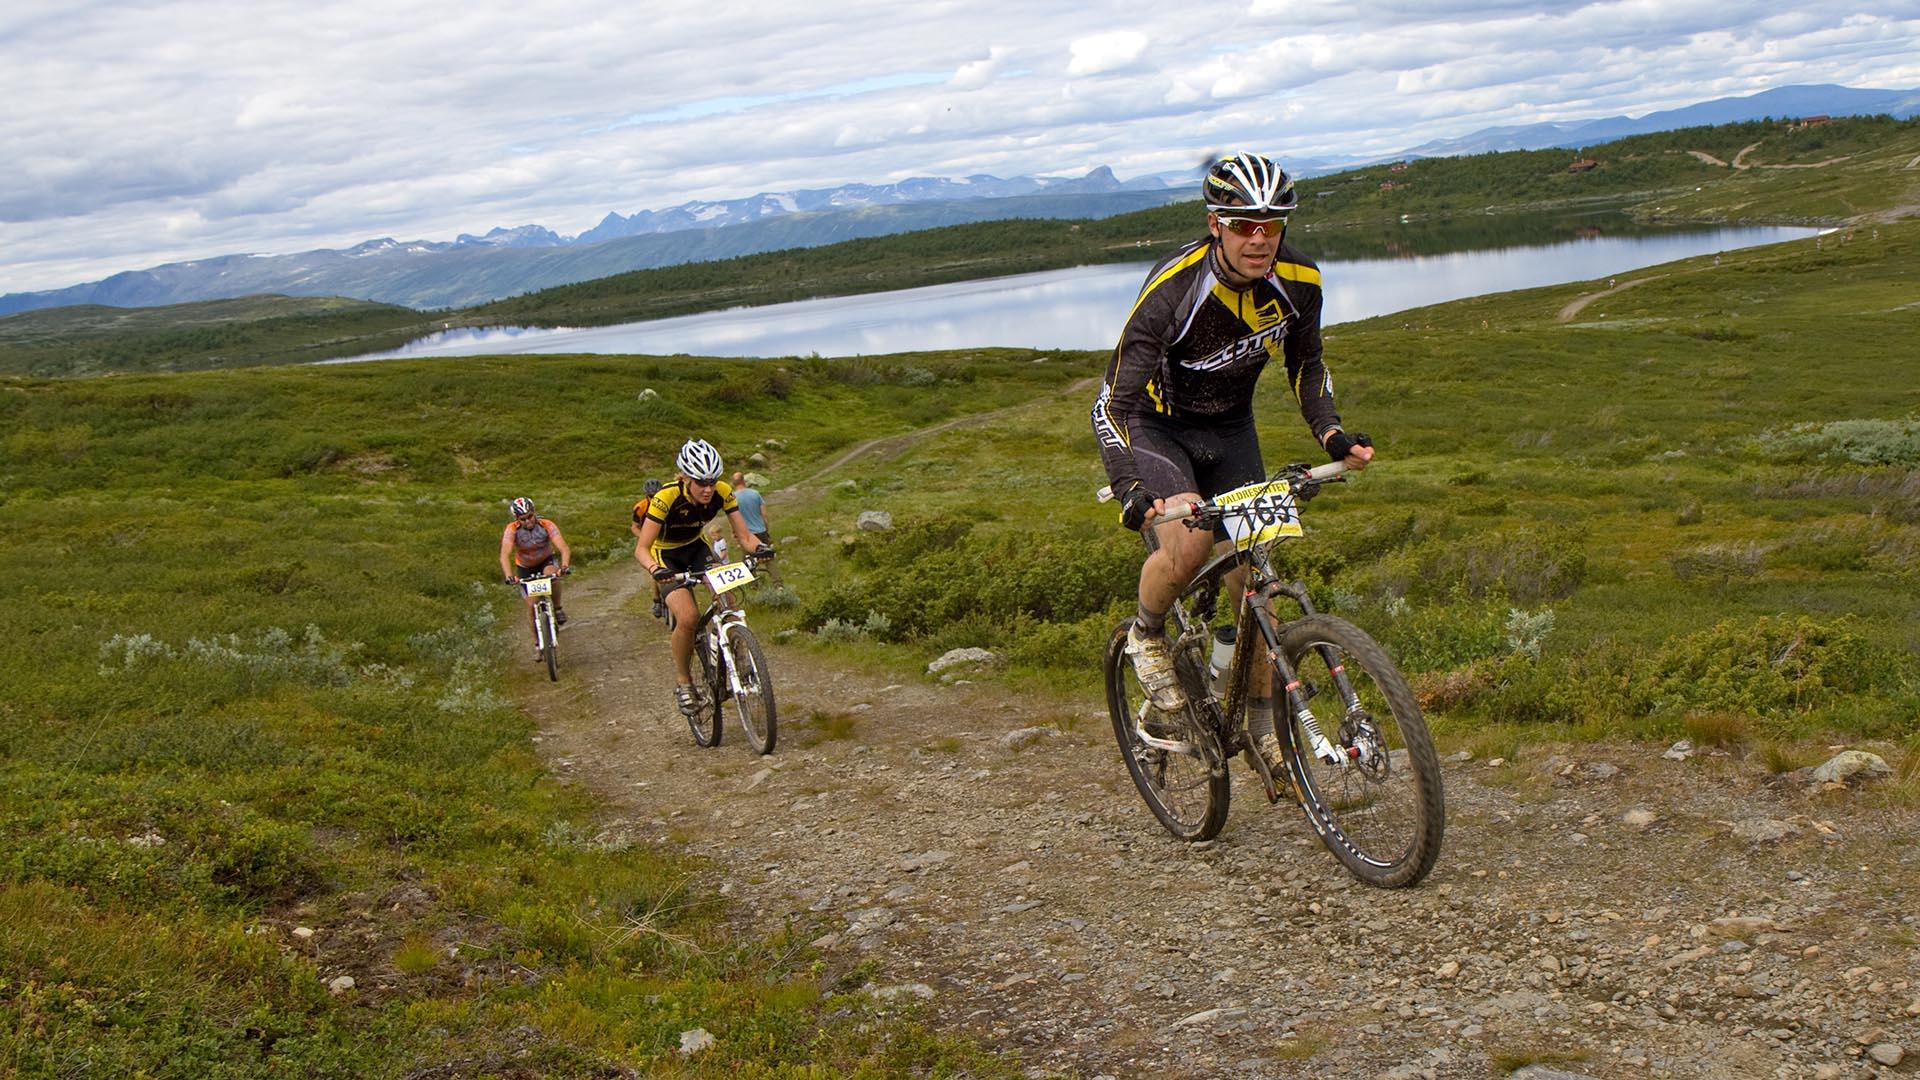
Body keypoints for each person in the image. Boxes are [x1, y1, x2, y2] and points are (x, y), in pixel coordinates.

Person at [1090, 152, 1373, 758]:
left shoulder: (1300, 281)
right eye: (1244, 224)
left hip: (1231, 428)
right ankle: (1147, 635)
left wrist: (1331, 433)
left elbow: (1307, 363)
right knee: (1191, 540)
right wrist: (1128, 487)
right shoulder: (1174, 290)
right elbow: (1110, 402)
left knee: (1259, 583)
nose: (1259, 239)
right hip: (1157, 426)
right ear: (1215, 222)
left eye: (1272, 225)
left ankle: (1266, 728)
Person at [633, 439, 774, 719]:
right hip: (666, 556)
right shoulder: (665, 498)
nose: (708, 489)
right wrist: (655, 571)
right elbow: (641, 548)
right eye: (701, 482)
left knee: (728, 600)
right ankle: (684, 682)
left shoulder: (723, 492)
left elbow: (744, 536)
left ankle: (740, 657)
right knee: (688, 617)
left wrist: (761, 548)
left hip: (697, 549)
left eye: (712, 481)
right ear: (685, 477)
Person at [499, 497, 571, 657]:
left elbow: (563, 548)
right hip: (525, 567)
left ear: (534, 513)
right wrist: (509, 576)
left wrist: (564, 567)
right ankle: (538, 644)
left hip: (546, 560)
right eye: (522, 519)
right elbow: (504, 555)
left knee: (552, 574)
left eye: (530, 516)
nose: (527, 521)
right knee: (532, 606)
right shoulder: (512, 530)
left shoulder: (546, 525)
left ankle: (558, 608)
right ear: (517, 520)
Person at [730, 471, 783, 586]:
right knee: (768, 557)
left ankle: (753, 585)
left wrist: (735, 533)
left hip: (746, 535)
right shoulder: (755, 493)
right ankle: (778, 584)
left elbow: (733, 519)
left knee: (748, 560)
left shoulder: (733, 498)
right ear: (744, 481)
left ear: (733, 484)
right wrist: (766, 529)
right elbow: (764, 514)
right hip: (761, 530)